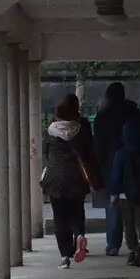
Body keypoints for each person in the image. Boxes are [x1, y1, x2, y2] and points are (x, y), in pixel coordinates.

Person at [41, 94, 100, 269]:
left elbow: (46, 153)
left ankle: (65, 257)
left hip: (55, 178)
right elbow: (90, 151)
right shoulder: (82, 127)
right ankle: (79, 234)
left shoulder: (50, 129)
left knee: (59, 217)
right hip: (76, 177)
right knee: (76, 209)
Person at [108, 110, 140, 267]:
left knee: (128, 223)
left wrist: (113, 194)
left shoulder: (121, 153)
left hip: (126, 195)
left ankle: (132, 250)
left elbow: (116, 176)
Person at [92, 82, 138, 256]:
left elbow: (98, 146)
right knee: (135, 203)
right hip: (134, 163)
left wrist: (96, 168)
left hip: (110, 165)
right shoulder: (134, 113)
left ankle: (113, 244)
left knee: (112, 204)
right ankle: (136, 242)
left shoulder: (102, 117)